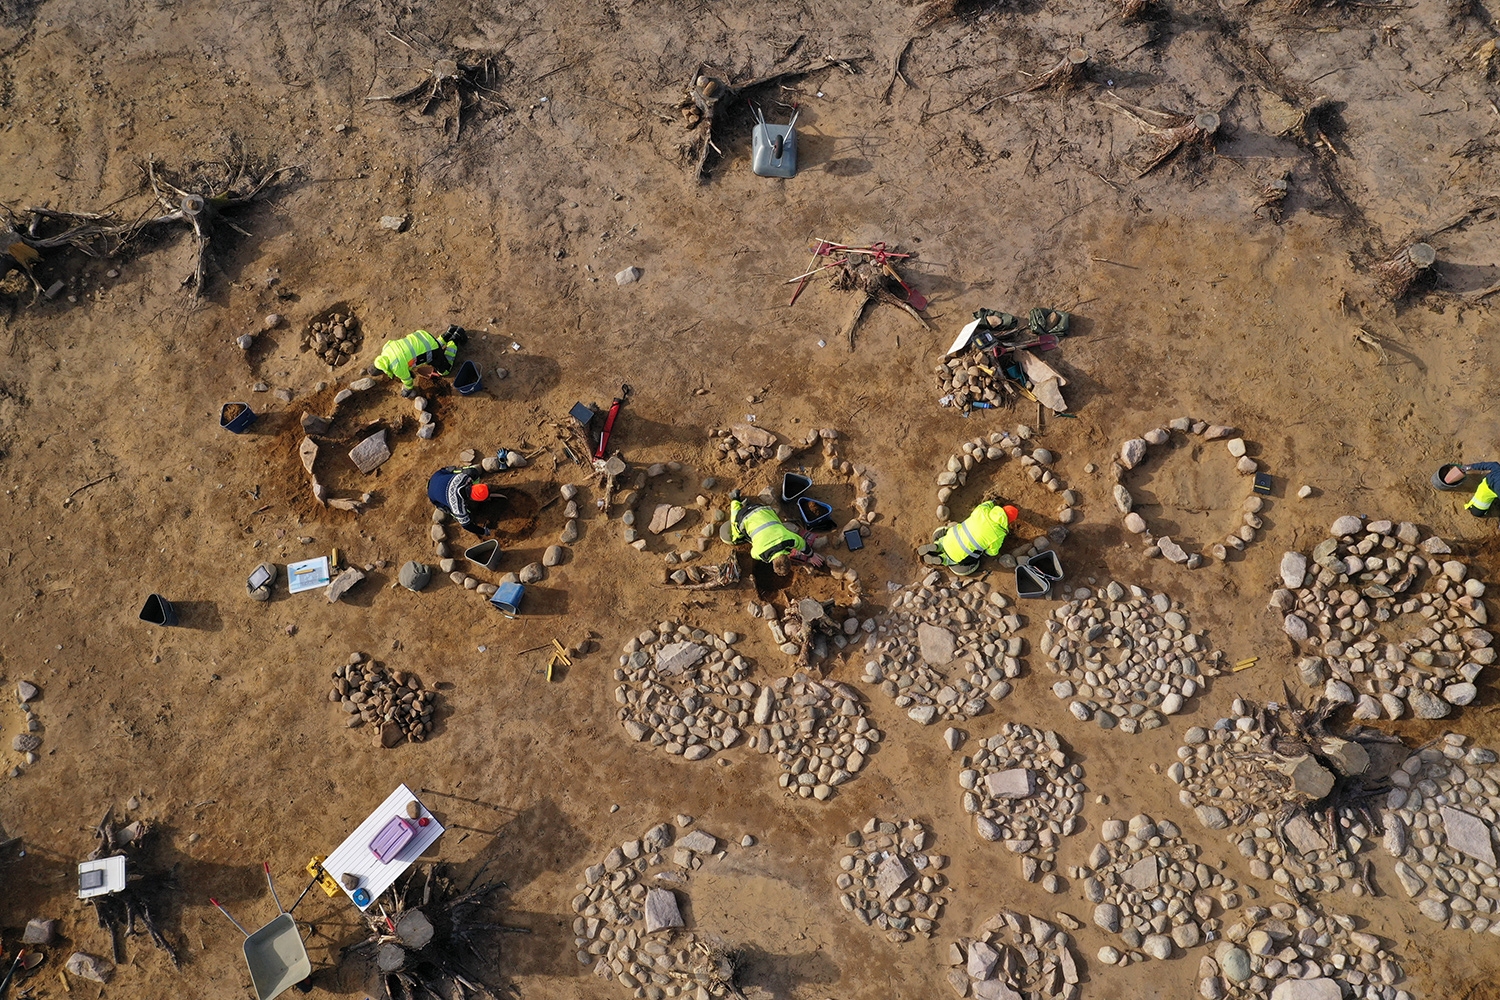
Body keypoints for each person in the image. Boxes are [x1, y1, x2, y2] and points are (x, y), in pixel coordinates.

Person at [918, 500, 1019, 576]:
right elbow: (992, 553)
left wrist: (992, 502)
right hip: (958, 555)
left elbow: (986, 504)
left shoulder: (983, 511)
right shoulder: (1000, 534)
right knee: (971, 565)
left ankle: (938, 545)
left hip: (950, 538)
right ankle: (944, 560)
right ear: (1009, 521)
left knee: (945, 532)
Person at [723, 491, 807, 575]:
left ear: (788, 558)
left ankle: (747, 506)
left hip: (762, 509)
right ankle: (735, 499)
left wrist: (811, 555)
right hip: (744, 517)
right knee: (735, 538)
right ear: (773, 563)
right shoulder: (760, 553)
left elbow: (802, 543)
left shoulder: (790, 540)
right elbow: (753, 553)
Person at [374, 325, 467, 397]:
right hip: (422, 337)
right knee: (430, 345)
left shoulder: (397, 367)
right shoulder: (386, 348)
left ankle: (455, 338)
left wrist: (407, 390)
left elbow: (408, 380)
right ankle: (449, 332)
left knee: (445, 371)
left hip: (430, 348)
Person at [428, 466, 491, 536]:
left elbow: (472, 473)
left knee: (471, 472)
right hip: (432, 494)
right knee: (468, 515)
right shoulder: (458, 507)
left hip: (438, 475)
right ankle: (454, 515)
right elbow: (467, 526)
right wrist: (484, 531)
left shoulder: (465, 477)